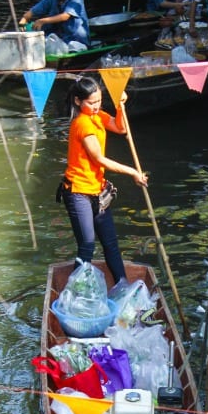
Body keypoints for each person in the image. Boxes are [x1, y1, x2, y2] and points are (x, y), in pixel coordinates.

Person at [57, 76, 148, 285]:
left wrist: (119, 104)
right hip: (78, 191)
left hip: (98, 190)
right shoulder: (82, 123)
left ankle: (123, 286)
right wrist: (133, 171)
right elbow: (99, 158)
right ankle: (75, 290)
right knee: (87, 245)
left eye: (99, 101)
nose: (96, 106)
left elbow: (120, 127)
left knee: (111, 244)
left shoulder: (97, 116)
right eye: (91, 102)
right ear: (78, 101)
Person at [19, 0, 90, 46]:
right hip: (61, 39)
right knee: (32, 30)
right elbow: (34, 10)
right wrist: (24, 19)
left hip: (77, 39)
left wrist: (42, 21)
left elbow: (65, 16)